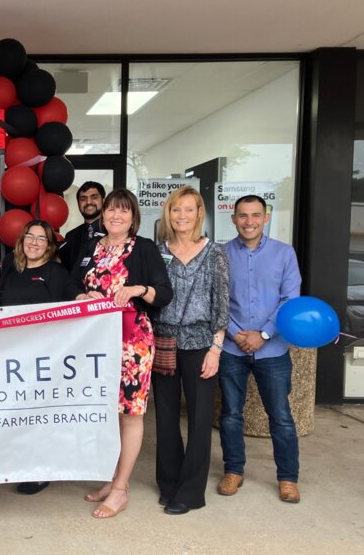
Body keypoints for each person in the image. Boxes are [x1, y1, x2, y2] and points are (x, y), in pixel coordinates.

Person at [79, 188, 173, 519]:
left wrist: (138, 289)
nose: (115, 216)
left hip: (132, 341)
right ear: (102, 215)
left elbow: (165, 292)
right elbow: (80, 283)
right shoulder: (93, 247)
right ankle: (113, 477)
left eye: (123, 211)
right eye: (110, 210)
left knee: (130, 412)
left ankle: (120, 488)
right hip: (96, 341)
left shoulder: (143, 248)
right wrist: (82, 293)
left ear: (133, 217)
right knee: (108, 412)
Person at [217, 194, 302, 503]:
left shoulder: (284, 253)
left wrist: (264, 334)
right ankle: (234, 470)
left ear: (266, 217)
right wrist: (239, 334)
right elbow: (218, 300)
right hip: (232, 348)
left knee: (280, 416)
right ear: (233, 218)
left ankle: (288, 478)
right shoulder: (222, 254)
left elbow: (290, 299)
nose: (249, 221)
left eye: (255, 215)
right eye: (242, 215)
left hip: (273, 350)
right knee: (230, 415)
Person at [151, 185, 229, 515]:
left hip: (200, 344)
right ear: (168, 214)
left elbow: (222, 304)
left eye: (188, 209)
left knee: (199, 419)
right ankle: (169, 484)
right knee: (166, 417)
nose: (181, 216)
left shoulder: (215, 253)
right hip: (163, 342)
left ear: (200, 213)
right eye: (175, 209)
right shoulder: (157, 251)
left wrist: (216, 348)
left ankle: (191, 491)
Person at [0, 219, 88, 495]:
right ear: (21, 239)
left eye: (41, 239)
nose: (34, 243)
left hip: (43, 357)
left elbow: (76, 295)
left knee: (39, 415)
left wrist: (86, 298)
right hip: (11, 355)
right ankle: (17, 462)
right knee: (15, 414)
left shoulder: (57, 273)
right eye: (30, 236)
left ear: (49, 246)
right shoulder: (9, 270)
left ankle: (40, 469)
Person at [58, 181, 106, 273]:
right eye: (83, 199)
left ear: (103, 201)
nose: (88, 202)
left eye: (94, 197)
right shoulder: (71, 237)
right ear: (78, 204)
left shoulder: (113, 232)